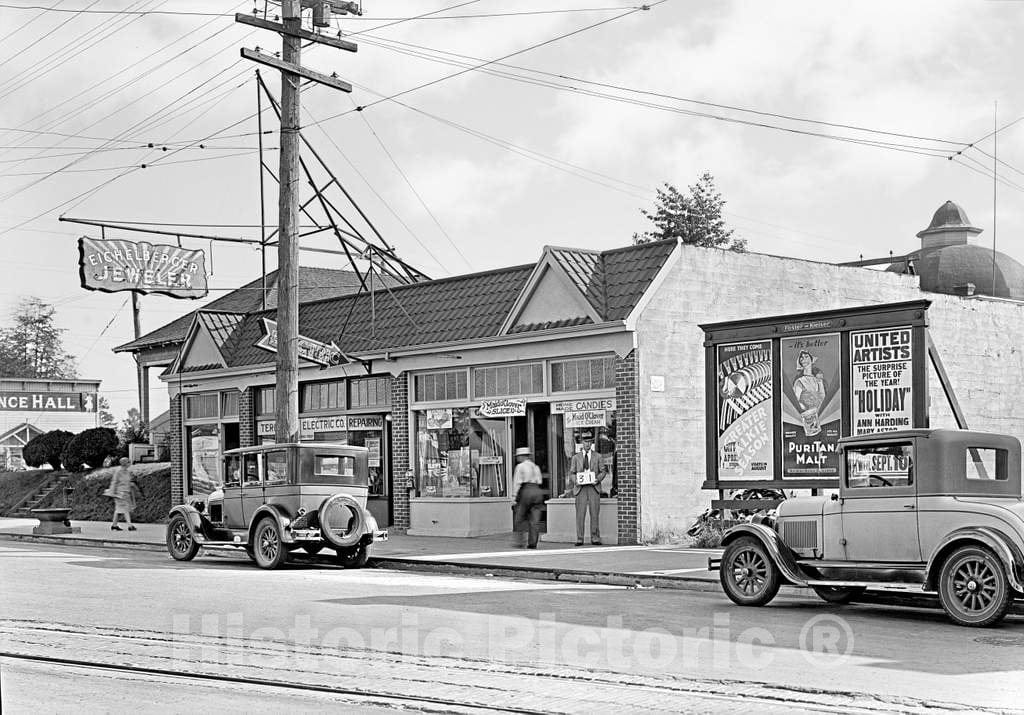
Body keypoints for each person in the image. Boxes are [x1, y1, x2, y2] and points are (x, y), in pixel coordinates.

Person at [568, 431, 607, 546]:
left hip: (593, 487)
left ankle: (595, 538)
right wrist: (576, 480)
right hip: (581, 488)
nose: (587, 444)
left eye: (589, 442)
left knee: (594, 513)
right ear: (581, 443)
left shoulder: (598, 456)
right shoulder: (576, 457)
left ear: (592, 443)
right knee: (580, 514)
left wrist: (598, 479)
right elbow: (572, 473)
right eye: (585, 442)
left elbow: (603, 471)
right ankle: (580, 538)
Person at [511, 447, 545, 549]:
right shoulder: (535, 467)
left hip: (526, 490)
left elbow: (517, 483)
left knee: (519, 517)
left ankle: (520, 541)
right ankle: (533, 543)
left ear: (522, 457)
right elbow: (540, 481)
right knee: (535, 519)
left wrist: (513, 498)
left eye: (518, 456)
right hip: (537, 491)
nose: (517, 458)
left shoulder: (520, 467)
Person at [104, 457, 136, 531]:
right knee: (125, 509)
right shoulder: (118, 471)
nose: (130, 463)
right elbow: (114, 482)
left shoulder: (127, 472)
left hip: (126, 492)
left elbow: (127, 481)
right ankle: (130, 525)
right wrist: (112, 492)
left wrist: (131, 484)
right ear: (125, 463)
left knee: (118, 509)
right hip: (119, 493)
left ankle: (114, 525)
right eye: (128, 462)